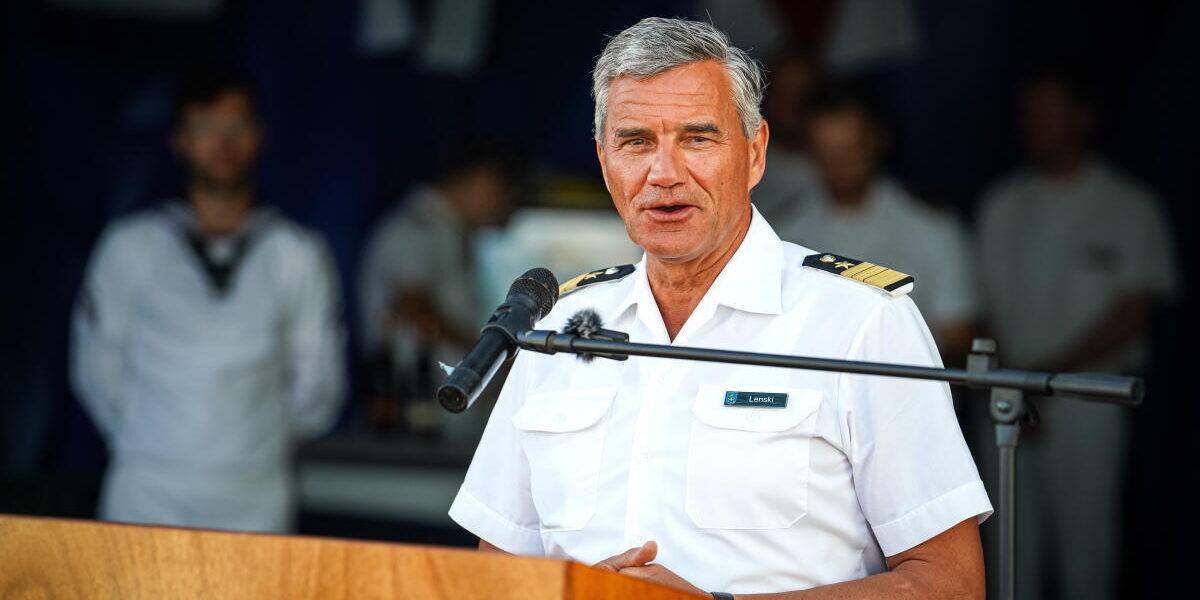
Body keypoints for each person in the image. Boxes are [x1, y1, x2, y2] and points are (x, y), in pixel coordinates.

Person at [449, 18, 991, 598]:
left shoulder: (861, 322)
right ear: (604, 163)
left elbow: (950, 585)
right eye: (636, 142)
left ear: (755, 153)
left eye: (697, 139)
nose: (664, 173)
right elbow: (494, 580)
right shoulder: (557, 329)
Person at [70, 67, 346, 533]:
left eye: (238, 126)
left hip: (255, 489)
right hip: (147, 486)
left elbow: (319, 382)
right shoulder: (130, 245)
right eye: (206, 127)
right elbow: (96, 368)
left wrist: (253, 441)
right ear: (180, 140)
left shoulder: (296, 253)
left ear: (260, 136)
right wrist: (152, 440)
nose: (223, 142)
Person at [975, 69, 1178, 600]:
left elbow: (1133, 312)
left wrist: (1044, 379)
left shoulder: (1129, 207)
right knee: (1009, 552)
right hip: (1006, 400)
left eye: (1048, 112)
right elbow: (980, 305)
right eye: (1029, 113)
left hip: (1088, 402)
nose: (1034, 124)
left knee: (1087, 551)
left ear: (1084, 118)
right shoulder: (1001, 204)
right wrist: (1015, 381)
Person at [773, 84, 978, 363]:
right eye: (827, 153)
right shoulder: (784, 233)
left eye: (849, 150)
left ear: (876, 140)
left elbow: (960, 337)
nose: (840, 165)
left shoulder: (931, 226)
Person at [358, 141, 523, 434]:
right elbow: (416, 308)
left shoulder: (451, 235)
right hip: (414, 417)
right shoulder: (413, 229)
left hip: (451, 414)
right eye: (505, 191)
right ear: (482, 180)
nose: (506, 205)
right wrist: (489, 355)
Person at [751, 48, 821, 226]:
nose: (793, 104)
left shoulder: (841, 164)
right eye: (783, 93)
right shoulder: (745, 163)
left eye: (803, 94)